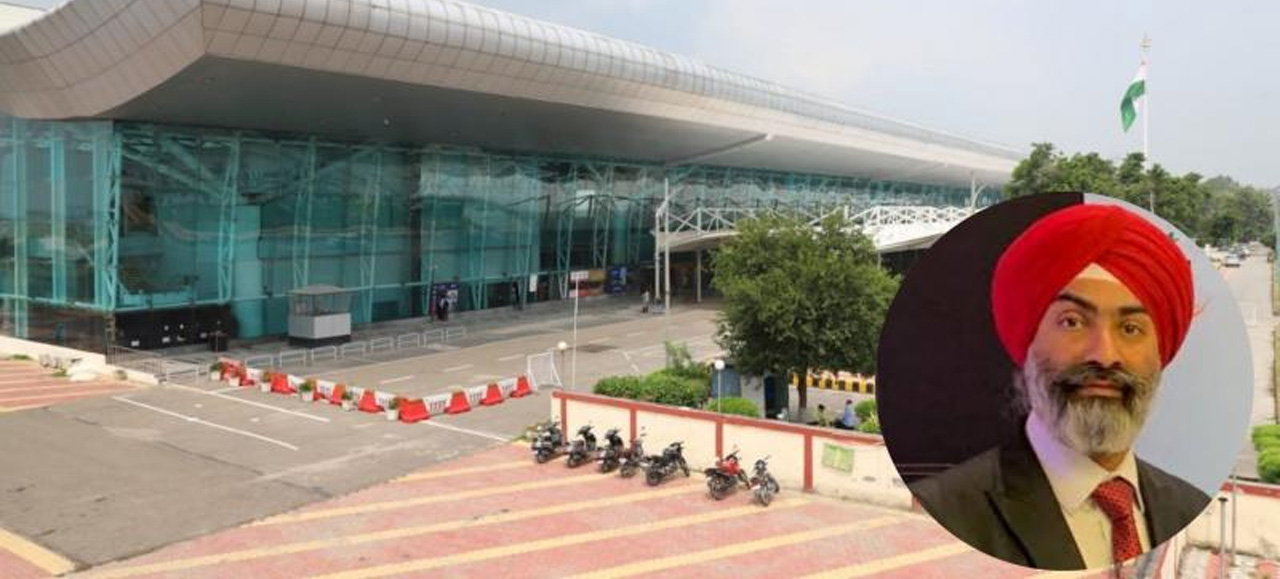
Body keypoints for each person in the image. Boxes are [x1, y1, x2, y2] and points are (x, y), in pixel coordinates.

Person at [908, 204, 1211, 571]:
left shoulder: (1186, 505)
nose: (1104, 356)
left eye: (1130, 328)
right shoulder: (949, 509)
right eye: (1072, 322)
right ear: (1028, 340)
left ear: (1160, 353)